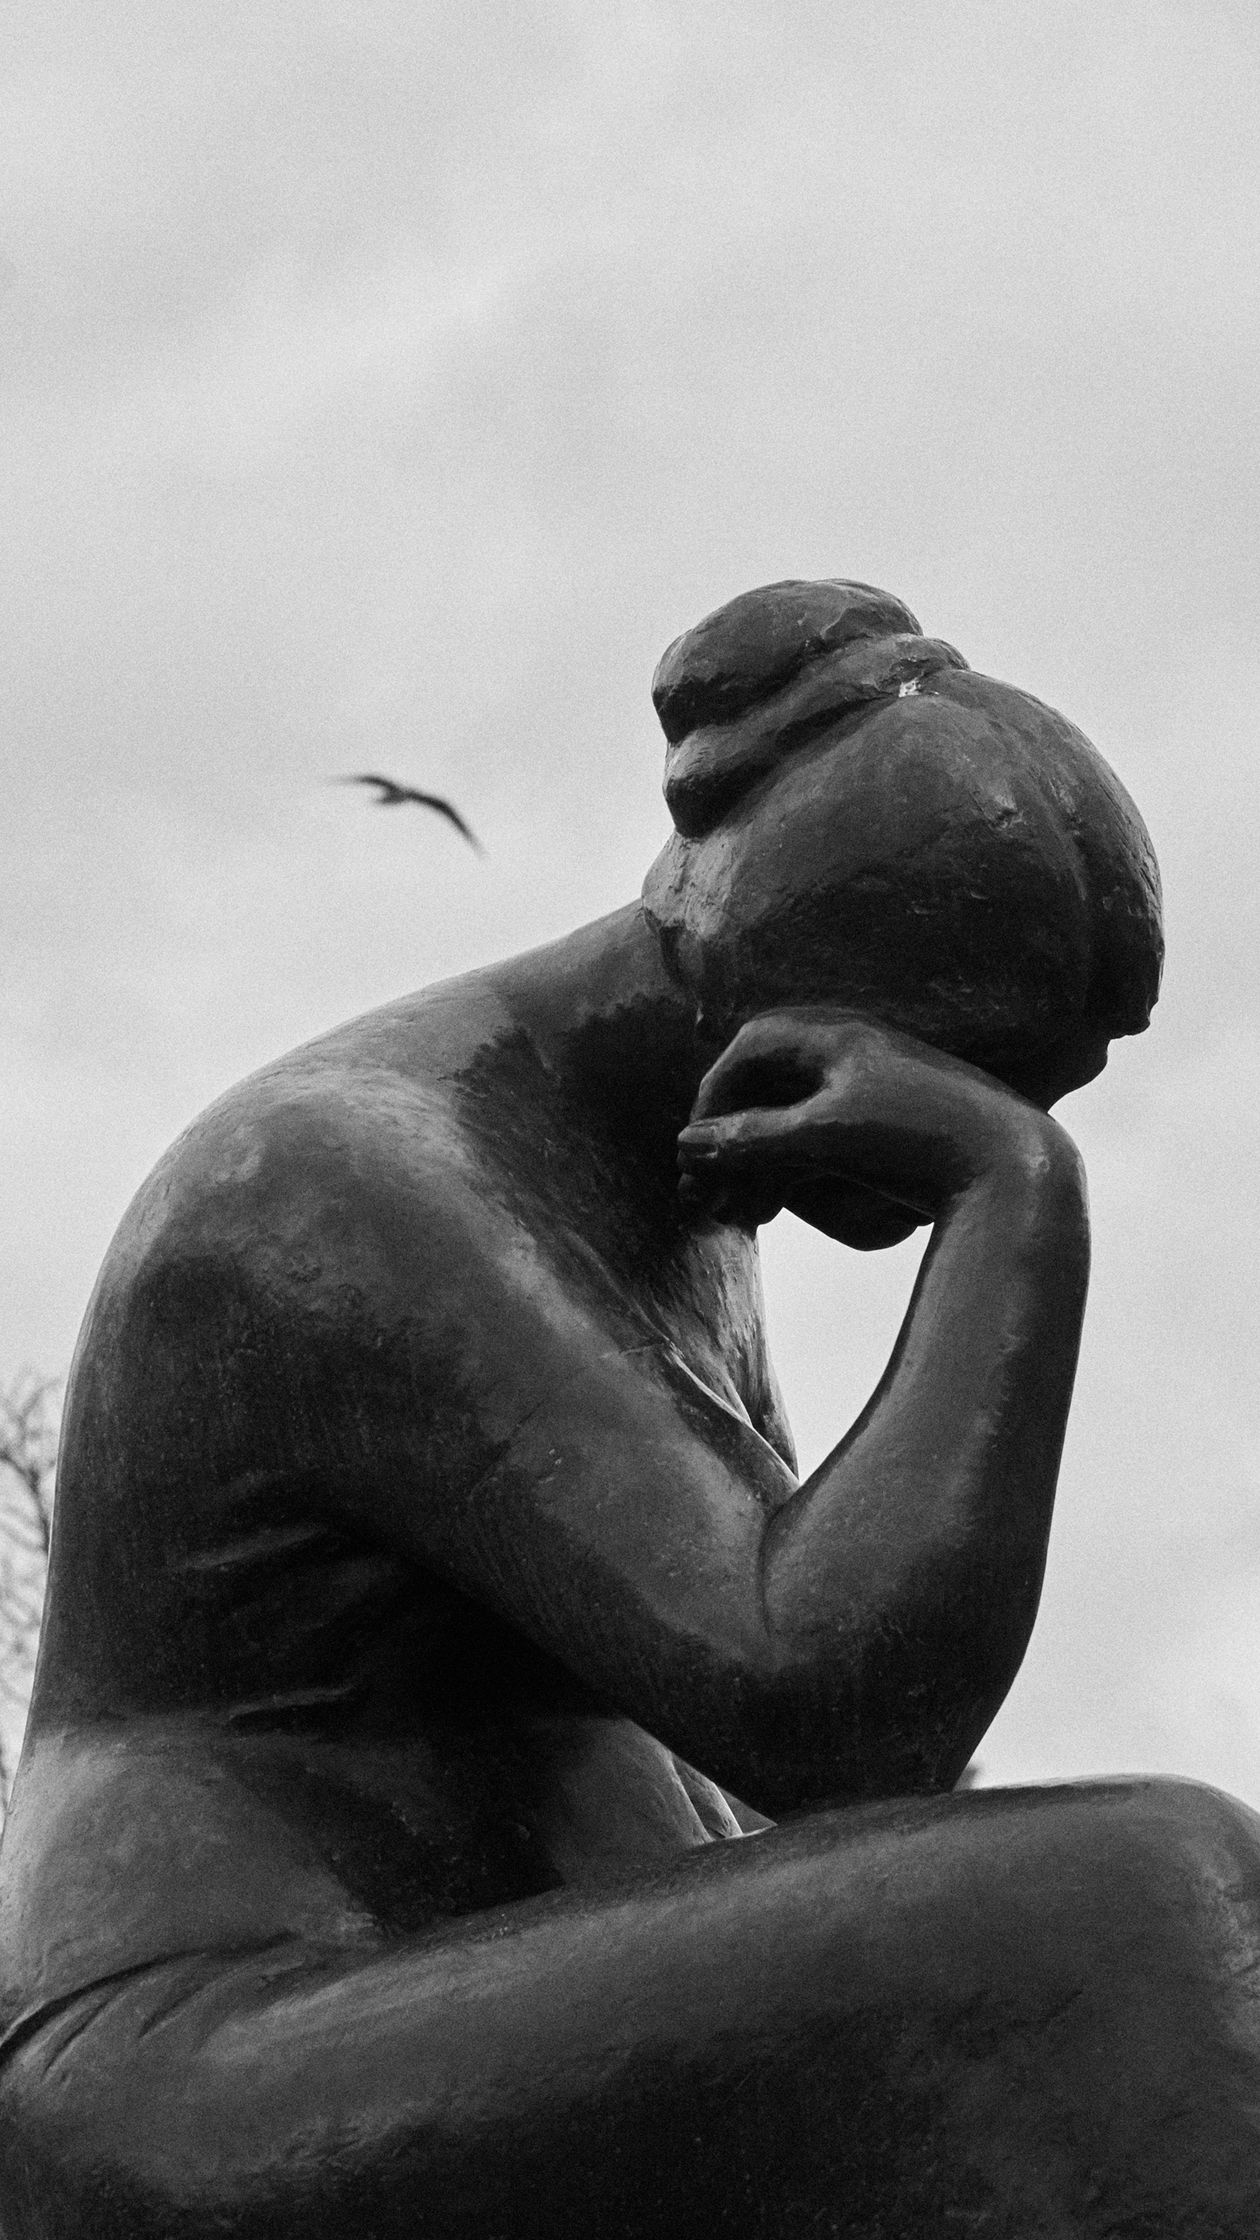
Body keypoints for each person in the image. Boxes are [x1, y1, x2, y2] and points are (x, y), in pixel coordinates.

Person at [2, 580, 1257, 2236]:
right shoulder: (345, 1184)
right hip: (189, 2058)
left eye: (1043, 1092)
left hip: (452, 1978)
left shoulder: (678, 1218)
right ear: (814, 1006)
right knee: (1144, 1909)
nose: (991, 1114)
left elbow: (842, 1788)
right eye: (980, 1069)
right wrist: (1019, 1202)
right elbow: (834, 1709)